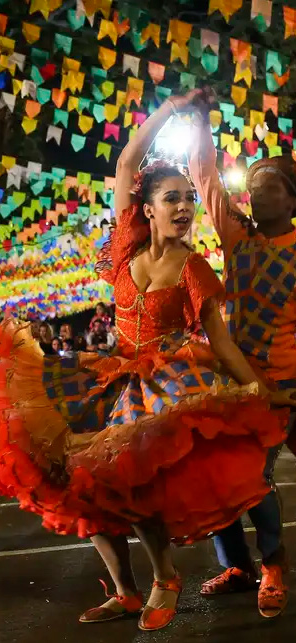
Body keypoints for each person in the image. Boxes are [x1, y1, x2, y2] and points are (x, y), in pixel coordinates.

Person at [0, 89, 294, 632]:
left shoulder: (198, 267)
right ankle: (141, 587)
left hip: (196, 378)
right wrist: (178, 111)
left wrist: (259, 390)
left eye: (188, 201)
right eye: (171, 199)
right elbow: (139, 164)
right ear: (147, 207)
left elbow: (220, 340)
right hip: (116, 375)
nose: (184, 208)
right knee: (78, 481)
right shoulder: (139, 248)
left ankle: (206, 574)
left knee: (188, 481)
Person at [189, 93, 296, 617]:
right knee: (219, 471)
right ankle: (240, 564)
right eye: (252, 188)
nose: (257, 195)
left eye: (270, 187)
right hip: (235, 384)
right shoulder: (237, 239)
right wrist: (199, 122)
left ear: (293, 199)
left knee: (252, 477)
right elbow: (205, 178)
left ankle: (273, 565)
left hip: (284, 388)